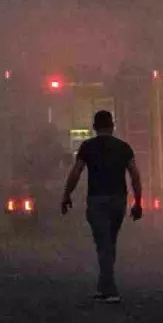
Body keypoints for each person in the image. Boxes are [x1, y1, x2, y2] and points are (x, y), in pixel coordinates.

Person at [61, 110, 143, 302]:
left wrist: (67, 194)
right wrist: (137, 202)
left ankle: (111, 288)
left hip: (97, 199)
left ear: (94, 127)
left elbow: (76, 172)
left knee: (103, 243)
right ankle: (104, 285)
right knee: (110, 242)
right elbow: (135, 175)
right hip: (118, 200)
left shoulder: (87, 147)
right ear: (112, 126)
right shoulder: (124, 148)